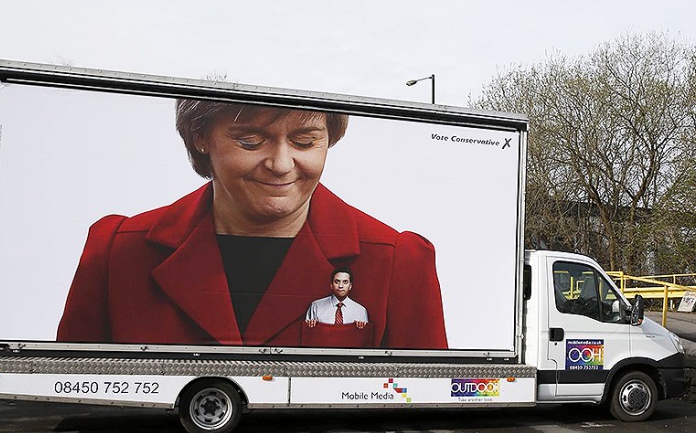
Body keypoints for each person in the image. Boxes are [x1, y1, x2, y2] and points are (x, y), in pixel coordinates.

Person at [57, 98, 448, 350]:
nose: (281, 164)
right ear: (200, 138)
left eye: (305, 141)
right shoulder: (117, 251)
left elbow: (425, 422)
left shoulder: (400, 261)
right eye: (250, 141)